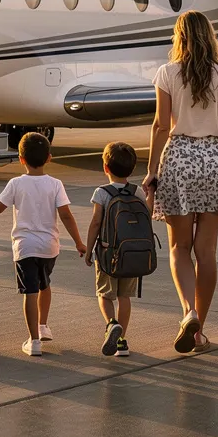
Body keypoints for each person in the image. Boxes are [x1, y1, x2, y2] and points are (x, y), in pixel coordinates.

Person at [141, 10, 218, 354]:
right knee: (206, 251)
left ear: (178, 37)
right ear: (210, 37)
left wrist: (152, 170)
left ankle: (189, 312)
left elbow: (159, 125)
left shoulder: (167, 73)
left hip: (179, 160)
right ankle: (199, 332)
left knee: (179, 248)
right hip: (215, 161)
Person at [0, 132, 86, 357]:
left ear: (21, 159)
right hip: (50, 247)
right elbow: (66, 215)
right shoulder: (55, 184)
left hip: (25, 247)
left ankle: (34, 340)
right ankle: (43, 325)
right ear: (49, 158)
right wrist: (79, 242)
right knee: (44, 284)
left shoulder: (16, 183)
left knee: (30, 292)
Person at [84, 141, 142, 357]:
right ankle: (122, 342)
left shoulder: (102, 193)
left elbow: (96, 223)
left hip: (108, 253)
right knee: (124, 297)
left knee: (105, 294)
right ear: (132, 168)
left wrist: (89, 250)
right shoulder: (137, 192)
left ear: (105, 168)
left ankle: (111, 324)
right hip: (132, 253)